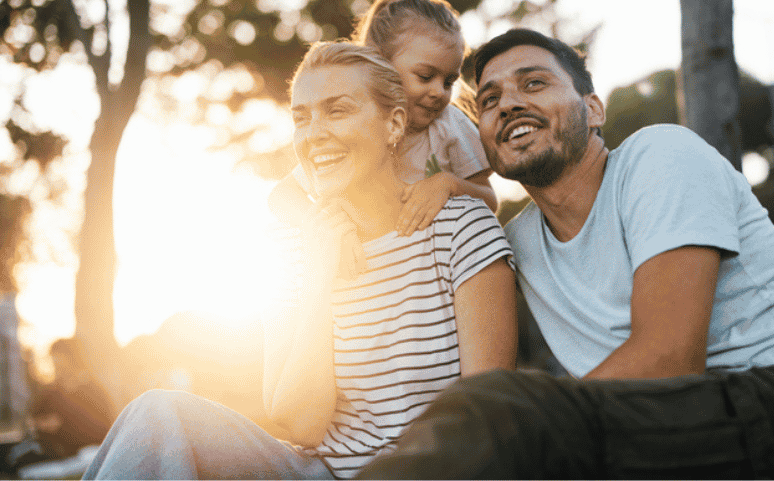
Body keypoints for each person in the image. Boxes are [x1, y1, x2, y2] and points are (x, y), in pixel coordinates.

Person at [357, 28, 774, 479]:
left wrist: (529, 422)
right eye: (490, 100)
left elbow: (669, 358)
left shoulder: (659, 155)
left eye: (535, 83)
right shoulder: (515, 240)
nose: (510, 103)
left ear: (593, 109)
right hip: (687, 436)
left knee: (502, 415)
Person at [82, 41, 517, 480]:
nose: (314, 134)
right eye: (301, 118)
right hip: (317, 472)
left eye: (337, 111)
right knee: (158, 415)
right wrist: (319, 268)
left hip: (433, 472)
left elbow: (486, 415)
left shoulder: (462, 228)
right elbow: (302, 423)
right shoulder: (290, 249)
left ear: (394, 123)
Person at [271, 0, 497, 237]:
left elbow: (489, 201)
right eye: (425, 76)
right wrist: (321, 228)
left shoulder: (449, 124)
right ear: (381, 64)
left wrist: (448, 184)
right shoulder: (346, 142)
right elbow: (282, 196)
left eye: (449, 81)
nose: (438, 92)